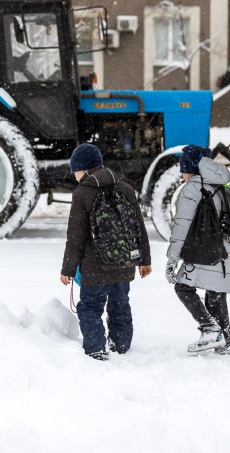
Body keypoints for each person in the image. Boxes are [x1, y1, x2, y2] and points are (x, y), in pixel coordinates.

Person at [60, 143, 152, 361]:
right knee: (120, 305)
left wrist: (68, 269)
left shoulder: (83, 193)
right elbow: (139, 226)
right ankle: (121, 347)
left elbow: (75, 237)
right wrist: (144, 260)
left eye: (75, 171)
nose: (74, 176)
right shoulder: (125, 188)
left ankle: (96, 349)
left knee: (90, 307)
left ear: (83, 169)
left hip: (95, 267)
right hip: (124, 263)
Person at [165, 144, 230, 356]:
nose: (182, 174)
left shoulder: (193, 189)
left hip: (204, 251)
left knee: (183, 287)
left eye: (183, 168)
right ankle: (225, 342)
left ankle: (210, 329)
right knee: (216, 295)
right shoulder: (224, 187)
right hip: (227, 253)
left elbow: (181, 226)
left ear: (191, 167)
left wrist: (172, 259)